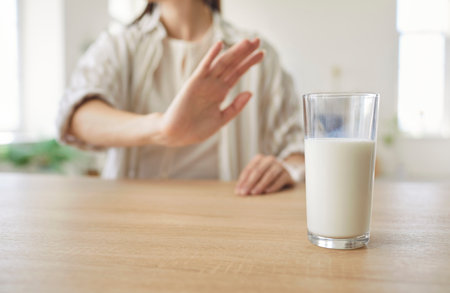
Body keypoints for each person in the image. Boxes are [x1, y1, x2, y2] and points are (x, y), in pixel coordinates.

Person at [57, 0, 304, 196]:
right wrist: (161, 128)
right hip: (131, 227)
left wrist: (286, 170)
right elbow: (77, 116)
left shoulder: (257, 56)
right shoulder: (118, 45)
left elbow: (298, 151)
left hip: (229, 225)